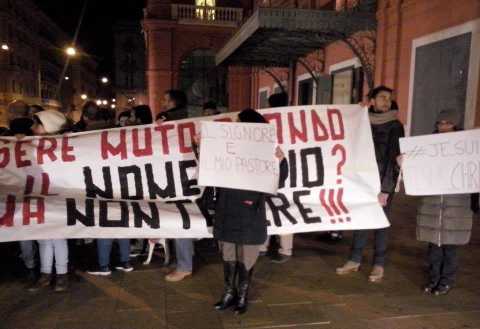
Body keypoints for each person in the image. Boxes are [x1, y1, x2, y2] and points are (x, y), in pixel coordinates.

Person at [206, 108, 288, 315]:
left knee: (247, 257)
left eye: (237, 120)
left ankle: (242, 295)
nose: (233, 124)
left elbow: (278, 181)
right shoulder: (226, 147)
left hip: (250, 212)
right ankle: (228, 292)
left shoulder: (265, 150)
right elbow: (208, 168)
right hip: (226, 209)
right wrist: (200, 147)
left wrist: (282, 161)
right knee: (228, 255)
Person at [336, 85, 404, 283]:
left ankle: (379, 264)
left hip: (383, 183)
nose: (386, 101)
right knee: (361, 218)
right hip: (362, 181)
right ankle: (354, 260)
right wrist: (355, 112)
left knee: (380, 222)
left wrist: (385, 189)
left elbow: (395, 160)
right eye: (382, 97)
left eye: (388, 98)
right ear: (372, 101)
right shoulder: (362, 120)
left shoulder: (395, 126)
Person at [411, 109, 473, 295]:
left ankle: (446, 281)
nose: (444, 126)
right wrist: (403, 162)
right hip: (432, 203)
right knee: (433, 247)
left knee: (450, 247)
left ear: (455, 124)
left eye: (448, 123)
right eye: (440, 123)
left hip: (457, 205)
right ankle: (433, 279)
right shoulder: (427, 146)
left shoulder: (466, 145)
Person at [28, 110, 70, 292]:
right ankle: (45, 274)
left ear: (48, 127)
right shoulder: (30, 145)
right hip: (38, 197)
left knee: (58, 238)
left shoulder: (64, 146)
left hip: (57, 198)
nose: (32, 128)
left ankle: (61, 274)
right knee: (43, 238)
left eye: (37, 124)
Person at [155, 90, 194, 282]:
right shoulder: (191, 116)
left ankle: (184, 265)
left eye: (164, 99)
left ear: (172, 102)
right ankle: (182, 260)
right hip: (187, 176)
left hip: (176, 178)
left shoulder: (167, 118)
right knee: (182, 219)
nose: (161, 101)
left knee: (180, 221)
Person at [259, 91, 294, 264]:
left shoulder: (269, 122)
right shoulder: (291, 120)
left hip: (273, 172)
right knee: (285, 211)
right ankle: (285, 250)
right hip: (290, 174)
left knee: (267, 209)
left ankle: (263, 247)